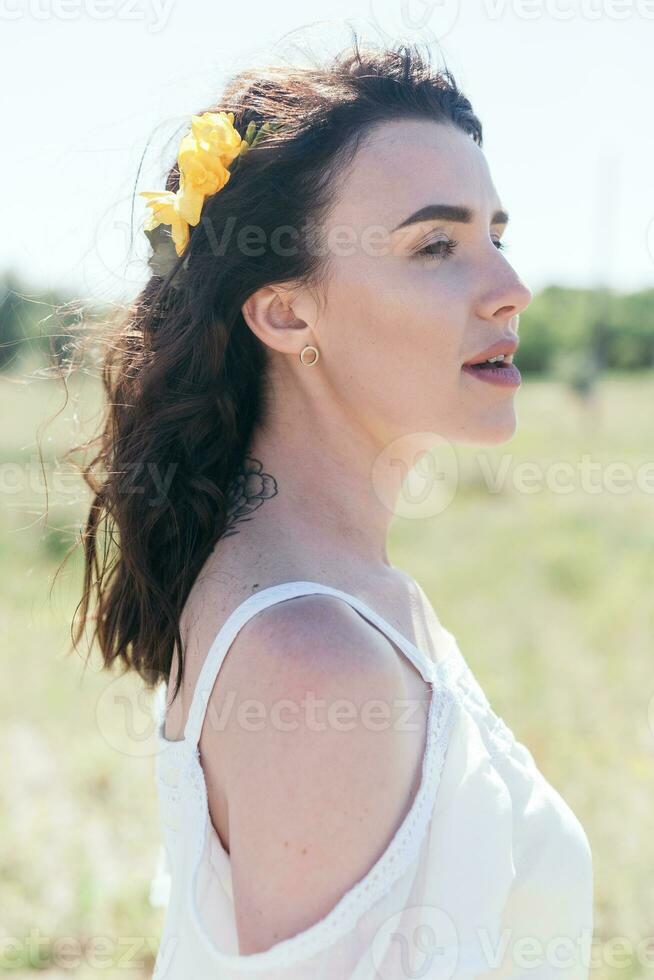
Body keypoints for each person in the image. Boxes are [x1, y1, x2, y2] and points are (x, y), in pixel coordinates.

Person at [74, 34, 594, 979]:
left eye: (496, 235)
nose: (511, 289)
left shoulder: (337, 593)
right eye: (436, 245)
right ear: (285, 313)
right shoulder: (314, 663)